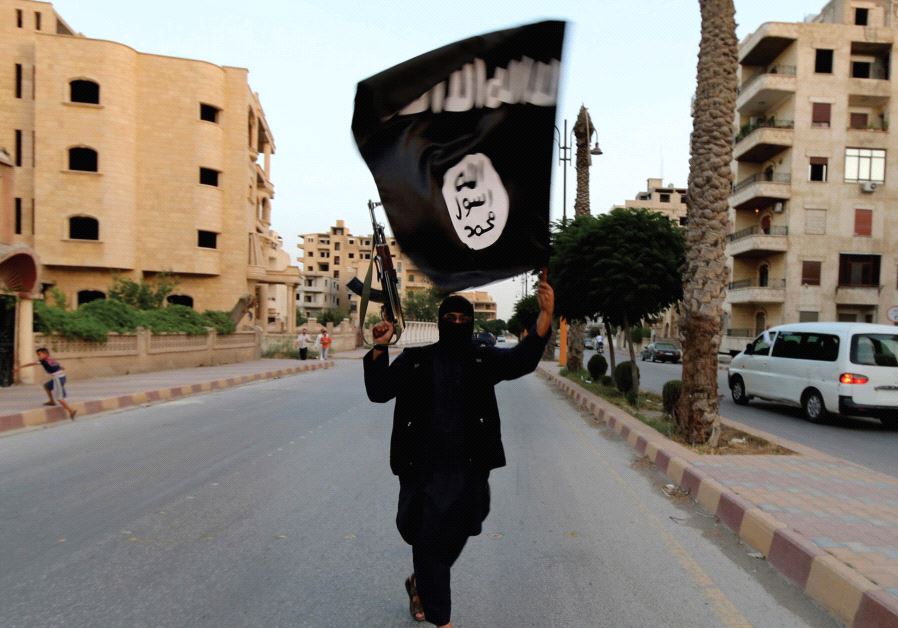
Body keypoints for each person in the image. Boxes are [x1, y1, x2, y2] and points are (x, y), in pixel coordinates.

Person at [364, 271, 554, 628]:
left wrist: (545, 316)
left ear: (471, 323)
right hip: (424, 470)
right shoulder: (417, 359)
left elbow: (521, 360)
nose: (456, 324)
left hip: (469, 469)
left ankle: (422, 582)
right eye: (450, 318)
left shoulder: (481, 358)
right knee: (428, 540)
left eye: (463, 319)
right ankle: (441, 618)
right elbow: (379, 391)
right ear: (440, 322)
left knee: (464, 526)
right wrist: (380, 347)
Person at [15, 347, 77, 420]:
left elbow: (32, 364)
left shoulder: (44, 361)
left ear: (45, 354)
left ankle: (71, 410)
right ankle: (51, 401)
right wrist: (61, 367)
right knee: (47, 386)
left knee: (59, 398)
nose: (38, 356)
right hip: (60, 377)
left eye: (39, 354)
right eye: (37, 354)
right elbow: (57, 365)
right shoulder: (50, 359)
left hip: (58, 379)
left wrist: (20, 367)